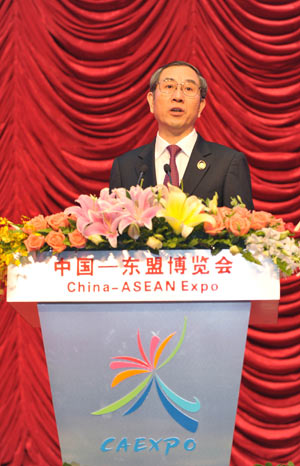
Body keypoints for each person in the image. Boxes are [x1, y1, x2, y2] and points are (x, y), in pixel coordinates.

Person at [109, 61, 254, 210]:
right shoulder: (125, 166)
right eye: (169, 86)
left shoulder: (228, 163)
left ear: (201, 106)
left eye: (188, 89)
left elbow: (240, 227)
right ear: (151, 101)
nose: (178, 96)